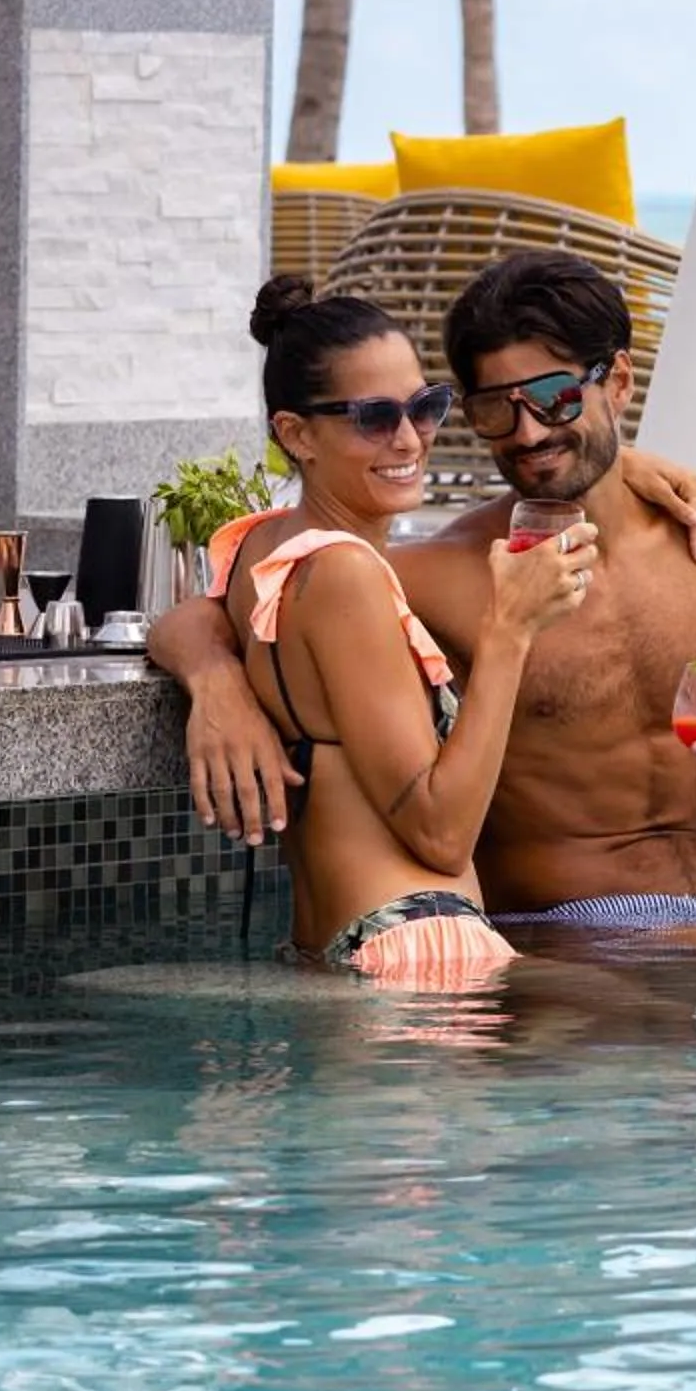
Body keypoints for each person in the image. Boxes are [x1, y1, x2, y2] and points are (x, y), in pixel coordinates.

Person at [158, 250, 696, 936]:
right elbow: (231, 605)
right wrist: (215, 683)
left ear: (616, 382)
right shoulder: (443, 573)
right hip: (563, 934)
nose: (529, 433)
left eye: (555, 398)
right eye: (498, 409)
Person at [218, 277, 592, 983]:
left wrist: (212, 681)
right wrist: (511, 628)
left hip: (348, 950)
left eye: (425, 408)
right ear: (295, 435)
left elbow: (190, 618)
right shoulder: (345, 574)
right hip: (420, 948)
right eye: (373, 418)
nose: (408, 439)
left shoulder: (256, 548)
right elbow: (440, 832)